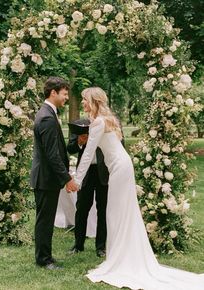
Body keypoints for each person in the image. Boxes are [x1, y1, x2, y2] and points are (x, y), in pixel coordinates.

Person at [66, 87, 204, 289]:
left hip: (119, 169)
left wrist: (77, 180)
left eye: (85, 100)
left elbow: (87, 154)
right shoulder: (109, 119)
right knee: (121, 213)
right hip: (123, 166)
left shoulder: (98, 122)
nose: (83, 103)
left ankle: (120, 260)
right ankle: (122, 255)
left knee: (115, 213)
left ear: (93, 101)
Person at [30, 76, 78, 270]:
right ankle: (43, 260)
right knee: (44, 220)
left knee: (46, 219)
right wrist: (67, 179)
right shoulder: (47, 117)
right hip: (45, 178)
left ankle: (46, 256)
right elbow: (52, 155)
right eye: (65, 94)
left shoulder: (48, 113)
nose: (66, 97)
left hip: (46, 178)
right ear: (53, 92)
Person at [67, 118, 109, 257]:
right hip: (85, 174)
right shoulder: (80, 124)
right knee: (82, 209)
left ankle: (101, 247)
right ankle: (78, 245)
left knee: (102, 210)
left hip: (103, 172)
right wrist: (80, 141)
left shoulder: (106, 122)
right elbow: (71, 148)